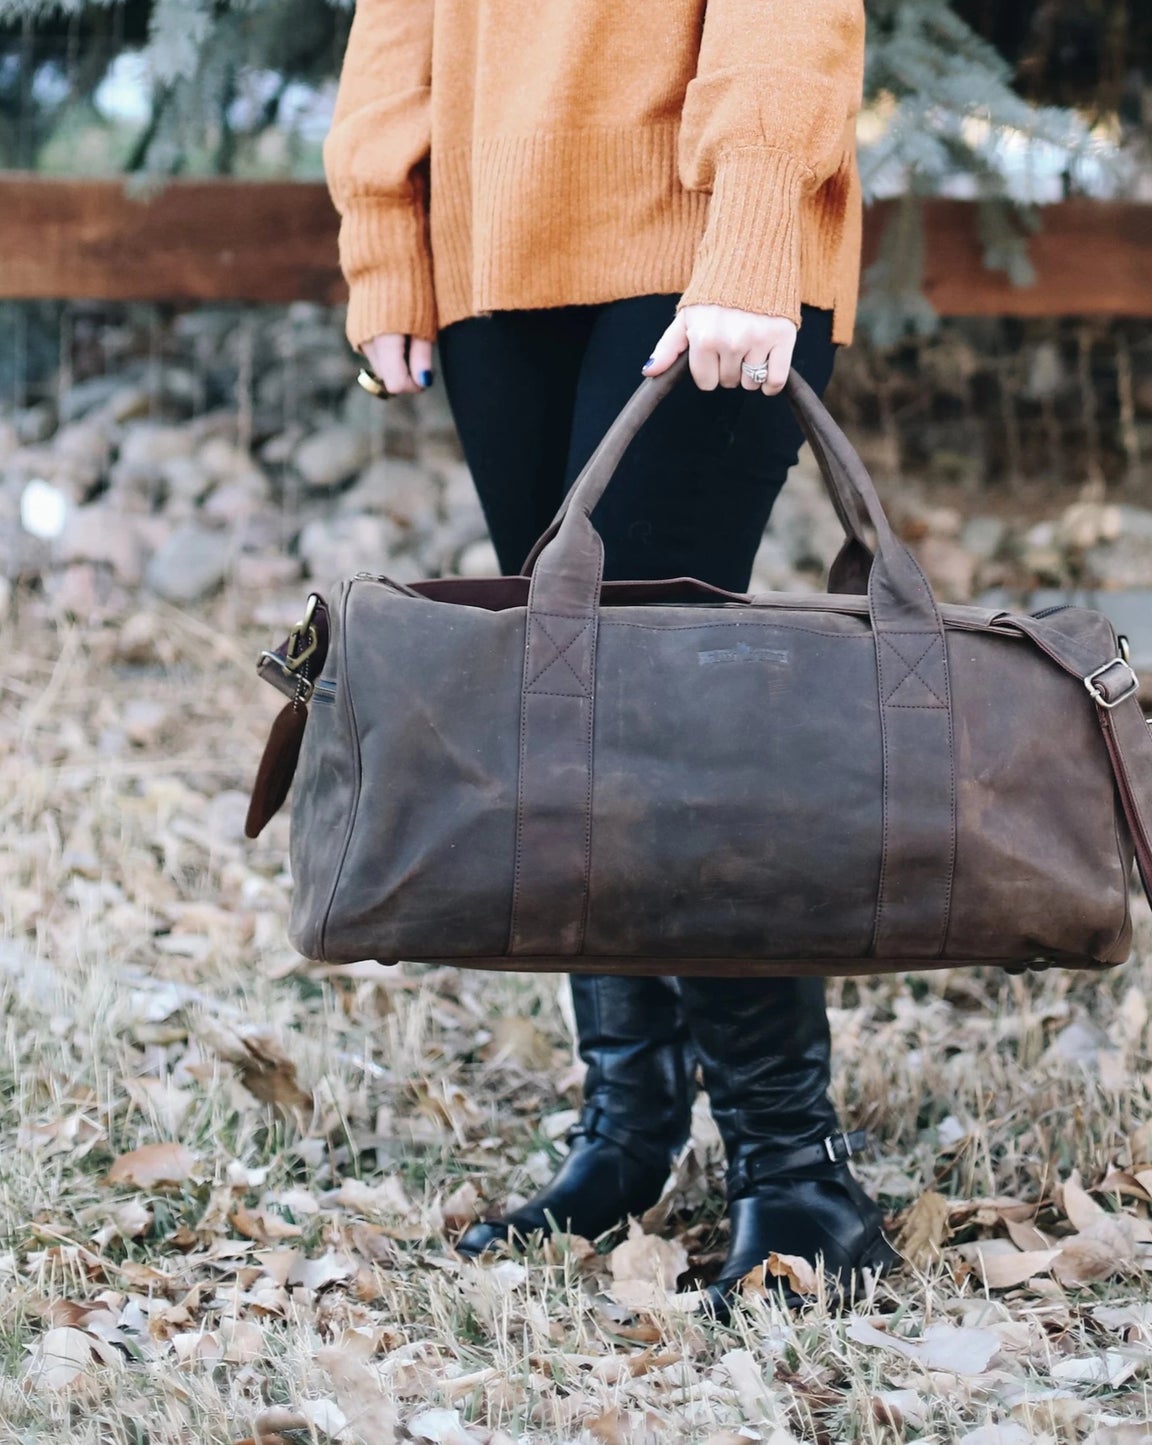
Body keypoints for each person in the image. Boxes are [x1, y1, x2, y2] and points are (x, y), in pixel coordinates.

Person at [320, 0, 896, 1311]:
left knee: (670, 716)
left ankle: (797, 1171)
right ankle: (626, 1134)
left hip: (694, 241)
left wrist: (753, 227)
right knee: (570, 704)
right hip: (490, 237)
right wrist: (384, 233)